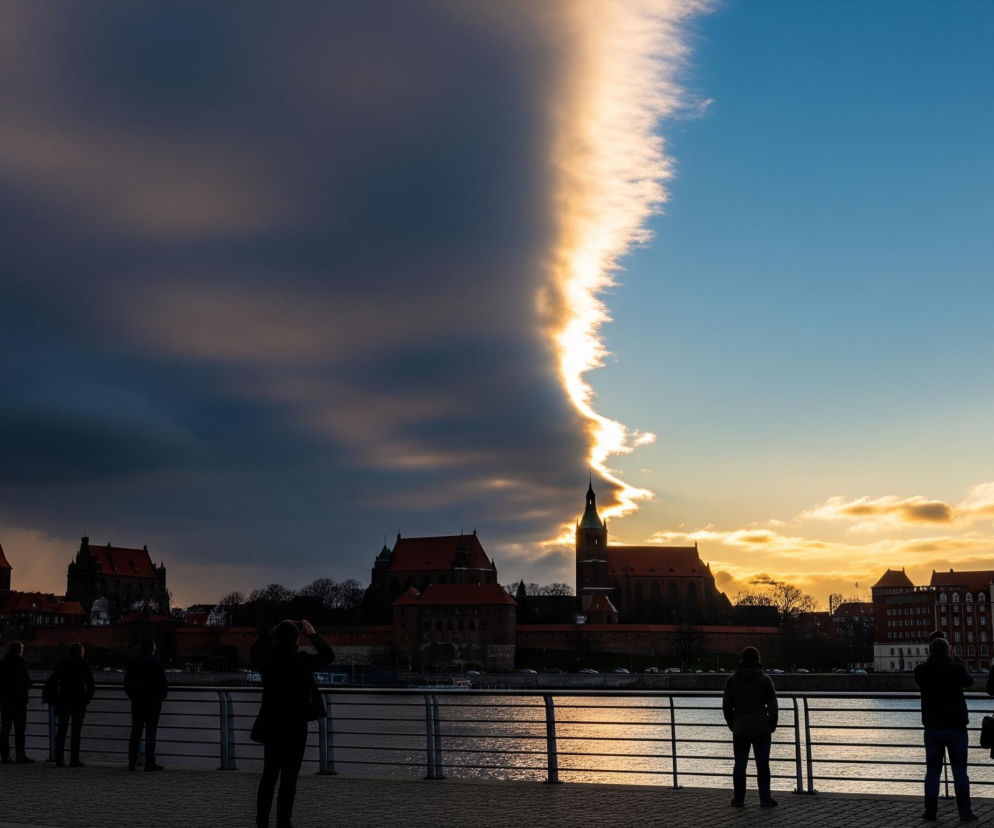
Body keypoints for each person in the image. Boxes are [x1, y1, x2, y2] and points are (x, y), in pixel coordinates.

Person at [252, 619, 334, 828]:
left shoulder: (267, 659)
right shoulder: (301, 660)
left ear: (277, 637)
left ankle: (261, 821)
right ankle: (283, 822)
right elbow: (328, 656)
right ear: (297, 639)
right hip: (296, 725)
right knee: (289, 778)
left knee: (269, 776)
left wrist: (272, 631)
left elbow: (255, 649)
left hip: (271, 723)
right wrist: (313, 633)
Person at [914, 636, 977, 821]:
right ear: (948, 651)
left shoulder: (921, 670)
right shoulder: (956, 668)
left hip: (933, 727)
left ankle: (930, 811)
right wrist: (954, 659)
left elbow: (920, 682)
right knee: (960, 771)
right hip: (956, 727)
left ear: (930, 651)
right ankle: (965, 811)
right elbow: (969, 682)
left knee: (932, 772)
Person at [722, 646, 778, 808]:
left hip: (740, 728)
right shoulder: (765, 680)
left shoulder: (732, 680)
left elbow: (726, 707)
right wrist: (771, 724)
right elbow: (773, 706)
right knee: (763, 765)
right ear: (757, 660)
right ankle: (765, 798)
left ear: (742, 659)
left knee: (740, 764)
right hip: (761, 728)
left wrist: (733, 724)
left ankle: (739, 798)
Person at [124, 638, 168, 771]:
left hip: (138, 703)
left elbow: (127, 684)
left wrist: (133, 697)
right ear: (152, 650)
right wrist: (159, 699)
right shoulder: (157, 665)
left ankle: (132, 761)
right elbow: (163, 686)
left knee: (136, 732)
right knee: (151, 734)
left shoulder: (133, 665)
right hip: (153, 704)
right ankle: (149, 762)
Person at [49, 642, 95, 768]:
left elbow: (52, 680)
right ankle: (74, 760)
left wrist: (55, 697)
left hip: (64, 700)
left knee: (62, 730)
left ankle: (59, 759)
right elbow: (91, 685)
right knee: (76, 731)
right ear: (81, 652)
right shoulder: (84, 665)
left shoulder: (63, 664)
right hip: (79, 702)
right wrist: (87, 699)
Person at [0, 641, 33, 764]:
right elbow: (28, 683)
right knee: (19, 730)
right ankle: (20, 755)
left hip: (5, 701)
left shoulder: (3, 664)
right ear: (20, 650)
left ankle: (4, 756)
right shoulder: (21, 664)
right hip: (19, 702)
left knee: (5, 729)